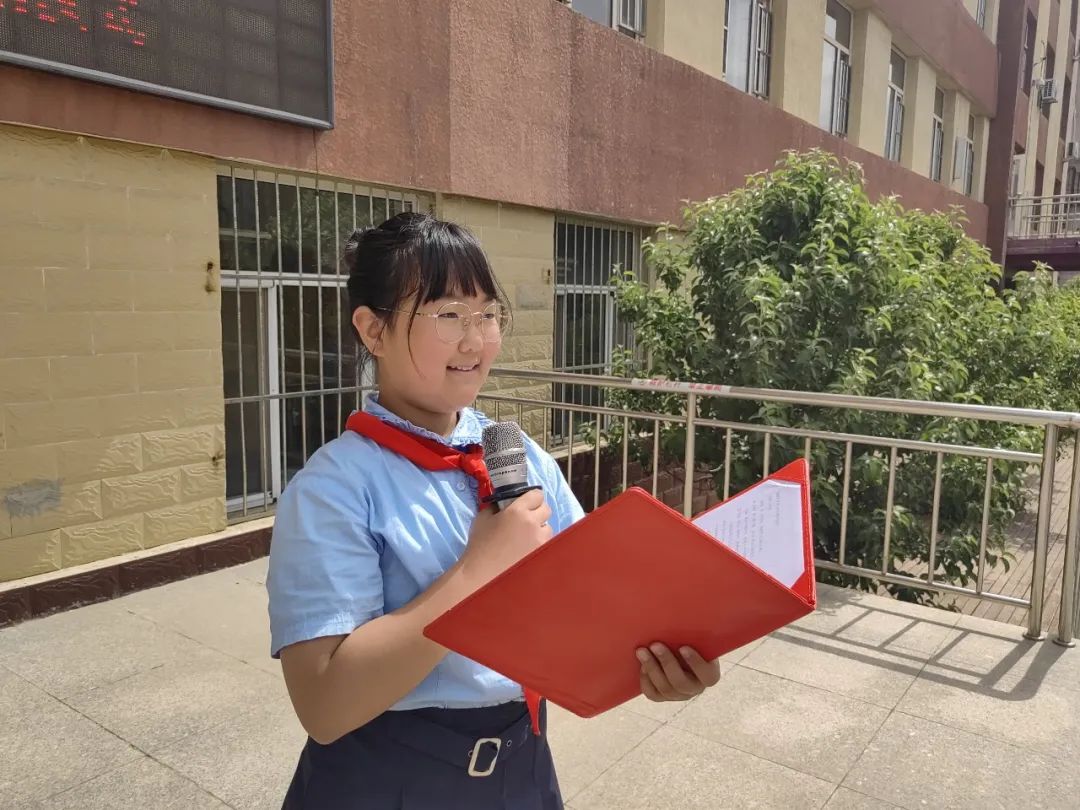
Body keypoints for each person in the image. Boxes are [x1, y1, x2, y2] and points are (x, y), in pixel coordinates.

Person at [266, 212, 721, 809]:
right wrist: (476, 572)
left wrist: (661, 658)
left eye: (487, 314)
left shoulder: (518, 455)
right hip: (388, 777)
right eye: (448, 314)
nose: (475, 340)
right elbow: (325, 705)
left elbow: (589, 603)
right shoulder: (334, 487)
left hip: (523, 765)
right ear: (372, 330)